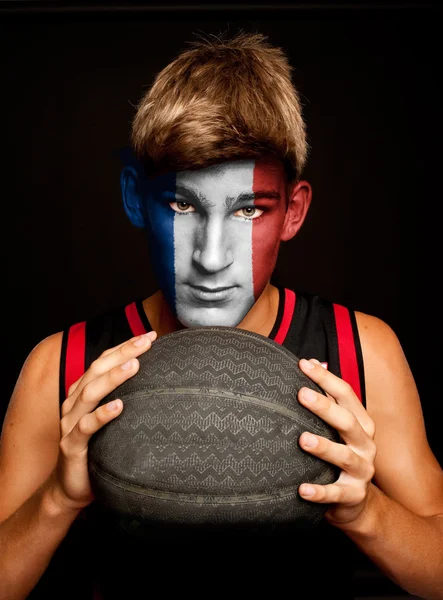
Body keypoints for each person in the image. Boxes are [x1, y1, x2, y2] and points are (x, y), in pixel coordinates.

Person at [0, 32, 442, 600]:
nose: (212, 257)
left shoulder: (361, 353)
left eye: (248, 210)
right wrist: (57, 499)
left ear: (294, 211)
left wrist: (367, 512)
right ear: (135, 198)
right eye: (182, 205)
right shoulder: (62, 367)